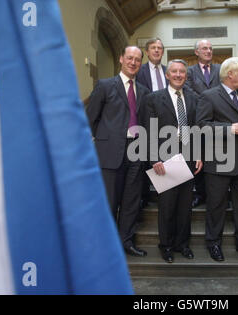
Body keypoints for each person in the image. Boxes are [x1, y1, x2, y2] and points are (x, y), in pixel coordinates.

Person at [86, 46, 150, 257]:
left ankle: (126, 242)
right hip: (110, 152)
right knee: (109, 201)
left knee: (131, 201)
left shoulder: (143, 91)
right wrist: (106, 139)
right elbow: (90, 119)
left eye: (137, 60)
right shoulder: (104, 85)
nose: (133, 62)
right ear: (121, 59)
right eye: (130, 58)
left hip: (136, 151)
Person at [196, 57, 238, 264]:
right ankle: (213, 243)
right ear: (230, 74)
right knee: (216, 206)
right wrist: (229, 129)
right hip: (219, 161)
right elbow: (202, 126)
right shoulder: (209, 96)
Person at [142, 59, 203, 263]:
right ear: (167, 75)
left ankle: (182, 244)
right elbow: (148, 130)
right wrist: (154, 158)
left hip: (187, 158)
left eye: (182, 72)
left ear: (186, 75)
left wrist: (199, 155)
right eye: (174, 71)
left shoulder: (194, 98)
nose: (178, 75)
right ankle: (166, 246)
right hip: (164, 159)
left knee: (185, 206)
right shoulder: (153, 98)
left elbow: (197, 129)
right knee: (167, 206)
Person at [186, 39, 221, 208]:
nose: (208, 51)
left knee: (217, 160)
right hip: (197, 120)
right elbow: (188, 91)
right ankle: (200, 194)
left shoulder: (220, 69)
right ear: (196, 52)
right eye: (204, 48)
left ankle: (219, 197)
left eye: (210, 48)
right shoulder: (189, 71)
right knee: (198, 159)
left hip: (218, 120)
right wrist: (208, 100)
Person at [136, 38, 167, 211]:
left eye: (159, 48)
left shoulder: (168, 71)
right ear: (147, 52)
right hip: (145, 119)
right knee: (145, 158)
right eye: (153, 48)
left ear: (163, 52)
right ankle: (144, 196)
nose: (156, 50)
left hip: (165, 120)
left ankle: (164, 191)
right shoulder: (139, 71)